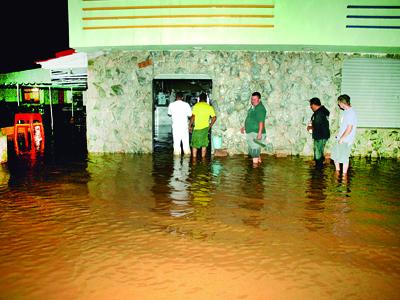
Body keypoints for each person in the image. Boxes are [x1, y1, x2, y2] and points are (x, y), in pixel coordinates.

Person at [331, 94, 357, 175]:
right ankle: (337, 172)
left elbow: (349, 128)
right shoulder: (346, 112)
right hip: (341, 138)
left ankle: (344, 176)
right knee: (336, 157)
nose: (338, 104)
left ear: (342, 103)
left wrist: (342, 138)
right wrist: (339, 135)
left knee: (344, 158)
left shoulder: (351, 113)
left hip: (345, 140)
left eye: (339, 103)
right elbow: (344, 126)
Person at [240, 92, 267, 164]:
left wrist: (260, 133)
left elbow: (261, 121)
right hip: (252, 132)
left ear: (259, 99)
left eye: (255, 99)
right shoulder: (253, 108)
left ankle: (255, 172)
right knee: (255, 151)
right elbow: (250, 118)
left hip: (256, 132)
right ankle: (259, 168)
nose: (253, 101)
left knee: (254, 152)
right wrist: (244, 127)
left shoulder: (260, 108)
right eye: (252, 99)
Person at [189, 93, 216, 159]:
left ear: (199, 99)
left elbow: (193, 117)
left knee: (194, 146)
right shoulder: (209, 107)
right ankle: (203, 160)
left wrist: (189, 125)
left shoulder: (196, 106)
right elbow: (214, 117)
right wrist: (210, 125)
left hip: (197, 129)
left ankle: (194, 160)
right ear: (206, 99)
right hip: (205, 129)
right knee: (204, 145)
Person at [307, 97, 330, 168]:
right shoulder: (323, 111)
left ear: (314, 104)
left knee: (318, 155)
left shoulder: (319, 113)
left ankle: (318, 171)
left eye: (311, 105)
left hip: (320, 136)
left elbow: (317, 125)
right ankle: (320, 170)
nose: (310, 107)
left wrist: (310, 128)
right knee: (320, 152)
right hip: (323, 135)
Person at [168, 92, 192, 156]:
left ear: (176, 97)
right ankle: (186, 163)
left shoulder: (171, 105)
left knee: (176, 145)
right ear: (182, 97)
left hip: (176, 127)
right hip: (184, 127)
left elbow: (169, 114)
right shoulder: (186, 104)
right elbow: (190, 115)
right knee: (186, 144)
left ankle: (176, 164)